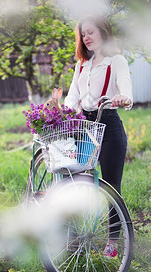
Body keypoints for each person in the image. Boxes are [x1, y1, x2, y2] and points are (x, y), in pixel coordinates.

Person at [64, 14, 133, 258]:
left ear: (103, 31)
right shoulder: (81, 65)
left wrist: (124, 97)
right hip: (85, 127)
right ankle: (75, 236)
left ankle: (113, 240)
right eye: (83, 34)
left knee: (111, 186)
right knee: (77, 182)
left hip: (110, 124)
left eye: (91, 32)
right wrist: (65, 110)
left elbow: (125, 87)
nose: (86, 38)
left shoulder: (117, 61)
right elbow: (73, 96)